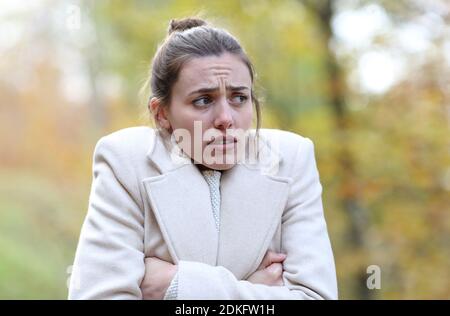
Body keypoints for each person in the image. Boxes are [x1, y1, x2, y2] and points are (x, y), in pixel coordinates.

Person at [68, 17, 338, 300]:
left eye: (239, 98)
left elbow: (316, 297)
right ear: (161, 113)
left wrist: (175, 285)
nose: (225, 119)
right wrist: (252, 289)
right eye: (203, 100)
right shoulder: (126, 161)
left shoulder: (291, 159)